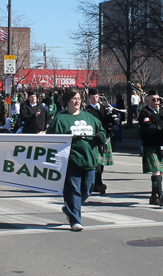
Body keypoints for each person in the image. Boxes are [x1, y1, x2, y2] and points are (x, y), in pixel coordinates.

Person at [46, 88, 106, 231]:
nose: (76, 101)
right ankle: (75, 220)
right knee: (73, 191)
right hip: (70, 162)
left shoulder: (89, 117)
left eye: (78, 98)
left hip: (89, 161)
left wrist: (101, 137)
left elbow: (101, 131)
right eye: (73, 98)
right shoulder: (60, 119)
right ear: (66, 101)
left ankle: (70, 208)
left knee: (88, 188)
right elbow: (50, 138)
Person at [85, 89, 120, 195]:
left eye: (96, 97)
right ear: (89, 98)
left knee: (102, 162)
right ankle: (98, 183)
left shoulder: (105, 108)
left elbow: (110, 121)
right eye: (92, 97)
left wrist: (113, 122)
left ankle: (97, 183)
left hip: (106, 136)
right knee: (97, 162)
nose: (95, 99)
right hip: (94, 138)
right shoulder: (87, 111)